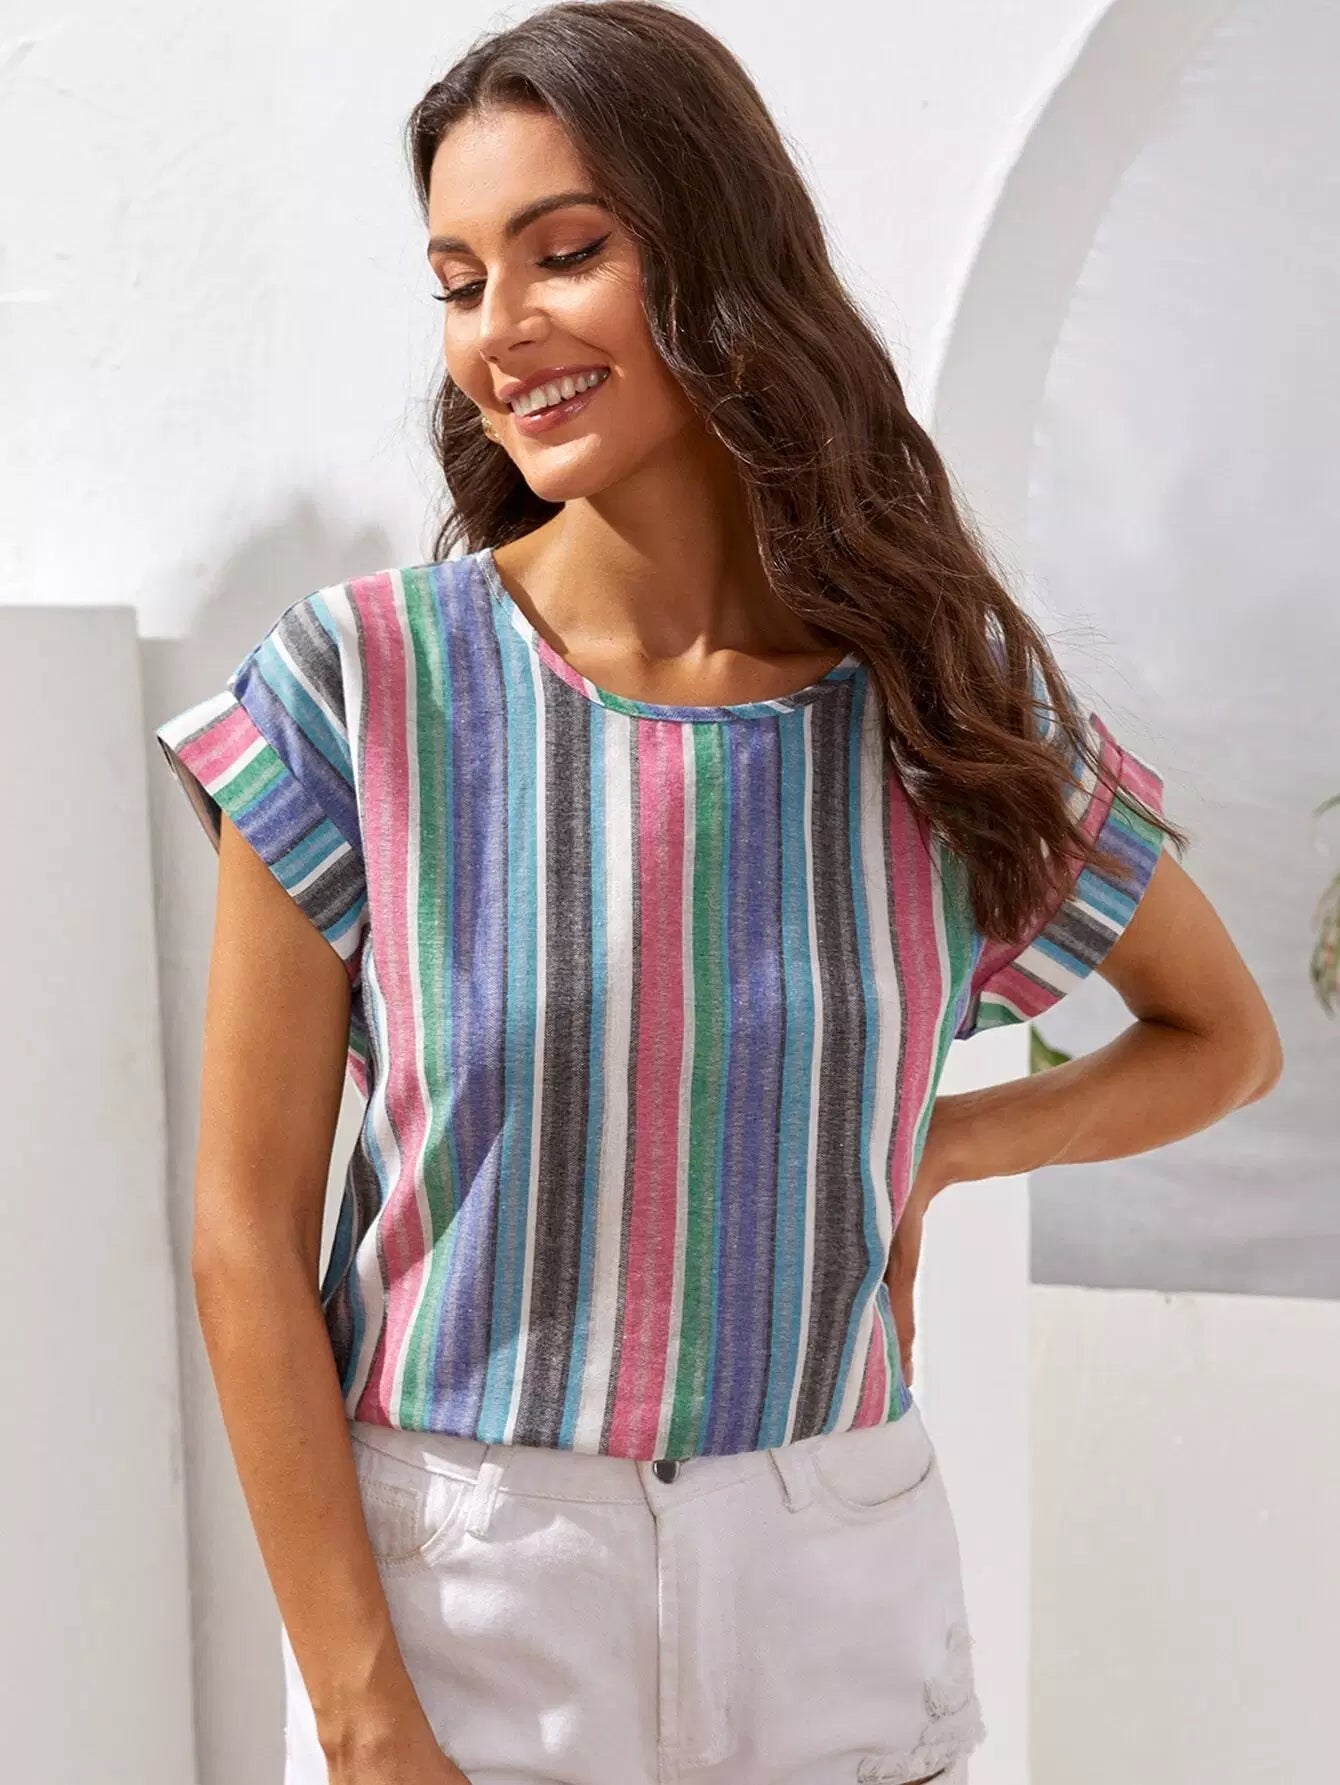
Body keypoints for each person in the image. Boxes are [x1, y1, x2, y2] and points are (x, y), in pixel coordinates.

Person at [153, 5, 1283, 1783]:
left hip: (834, 1578)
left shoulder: (937, 704)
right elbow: (241, 1233)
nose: (500, 327)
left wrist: (941, 1146)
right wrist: (366, 1720)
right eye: (458, 280)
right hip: (468, 1602)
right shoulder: (360, 685)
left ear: (717, 252)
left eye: (565, 253)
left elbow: (1224, 1037)